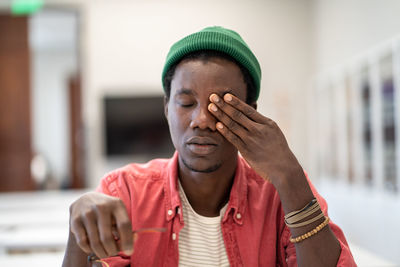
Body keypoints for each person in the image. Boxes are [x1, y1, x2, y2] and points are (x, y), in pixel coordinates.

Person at [62, 26, 356, 267]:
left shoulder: (282, 193)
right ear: (166, 108)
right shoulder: (125, 192)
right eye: (186, 103)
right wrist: (79, 240)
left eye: (221, 106)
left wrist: (291, 176)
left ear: (251, 111)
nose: (201, 120)